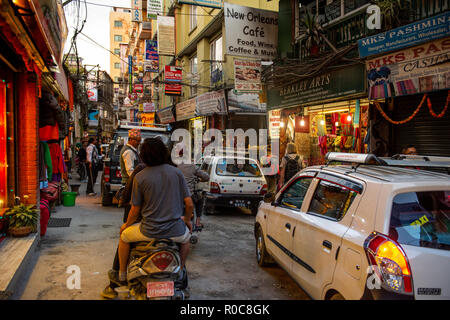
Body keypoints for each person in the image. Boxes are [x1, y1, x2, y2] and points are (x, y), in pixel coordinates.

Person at [117, 138, 194, 285]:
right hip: (175, 230)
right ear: (165, 154)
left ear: (143, 155)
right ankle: (181, 269)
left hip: (148, 231)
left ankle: (121, 273)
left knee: (124, 237)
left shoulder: (140, 177)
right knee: (186, 240)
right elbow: (189, 204)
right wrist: (187, 220)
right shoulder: (177, 173)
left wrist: (126, 225)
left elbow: (135, 210)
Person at [101, 162, 147, 299]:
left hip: (145, 228)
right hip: (166, 228)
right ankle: (183, 280)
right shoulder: (167, 179)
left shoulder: (138, 182)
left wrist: (127, 225)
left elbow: (133, 212)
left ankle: (118, 276)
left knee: (124, 237)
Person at [177, 146, 209, 229]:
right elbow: (206, 177)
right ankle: (198, 222)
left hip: (175, 195)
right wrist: (200, 179)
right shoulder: (191, 166)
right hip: (189, 196)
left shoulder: (174, 165)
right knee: (201, 198)